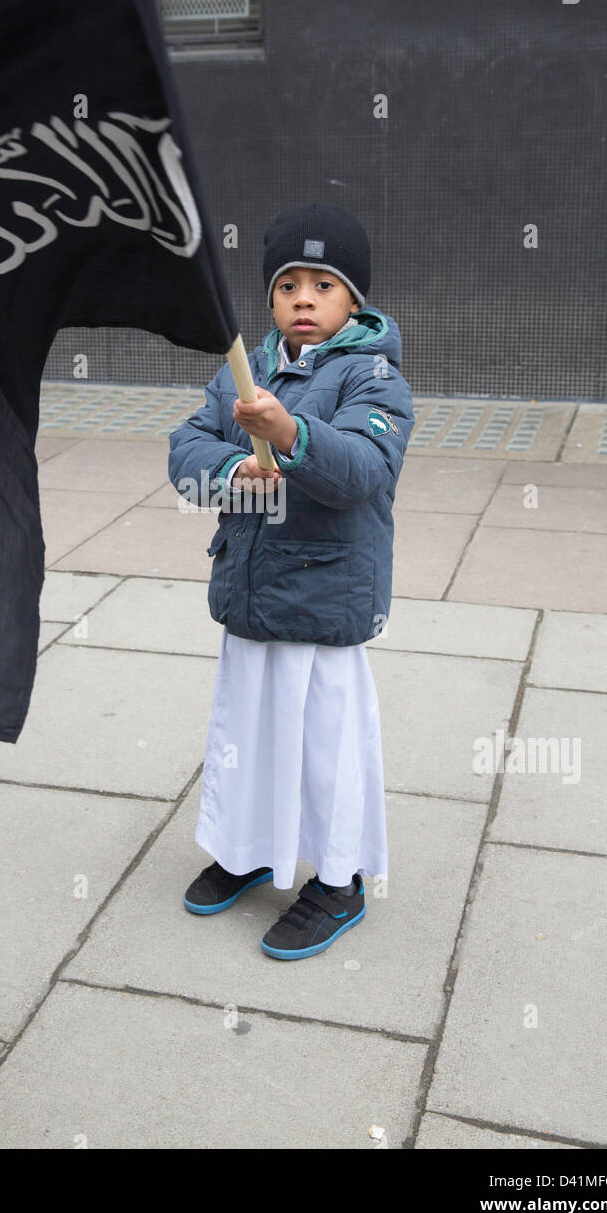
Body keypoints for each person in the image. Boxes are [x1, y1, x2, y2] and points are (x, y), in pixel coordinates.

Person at [167, 202, 414, 960]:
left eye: (324, 284)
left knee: (324, 747)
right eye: (288, 286)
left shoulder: (375, 377)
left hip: (325, 601)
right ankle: (246, 847)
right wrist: (229, 469)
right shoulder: (245, 369)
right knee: (247, 734)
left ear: (355, 302)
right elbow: (186, 450)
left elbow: (364, 472)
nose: (303, 299)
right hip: (250, 594)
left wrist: (291, 435)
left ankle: (338, 883)